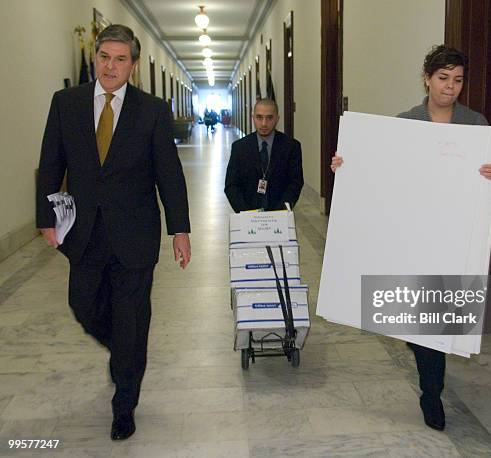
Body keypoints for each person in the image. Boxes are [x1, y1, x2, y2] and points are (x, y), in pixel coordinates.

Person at [330, 45, 491, 431]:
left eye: (458, 80)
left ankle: (431, 392)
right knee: (424, 317)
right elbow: (382, 171)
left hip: (452, 235)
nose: (450, 88)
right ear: (427, 78)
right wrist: (349, 163)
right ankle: (430, 384)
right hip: (411, 233)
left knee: (435, 317)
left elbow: (484, 178)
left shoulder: (476, 126)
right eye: (443, 78)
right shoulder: (405, 123)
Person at [36, 24, 191, 441]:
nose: (111, 65)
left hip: (135, 233)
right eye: (105, 56)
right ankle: (122, 350)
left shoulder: (152, 110)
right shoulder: (66, 103)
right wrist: (46, 218)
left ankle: (125, 403)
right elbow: (51, 162)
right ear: (95, 58)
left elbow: (169, 175)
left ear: (133, 66)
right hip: (83, 232)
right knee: (83, 305)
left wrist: (180, 229)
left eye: (121, 59)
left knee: (132, 317)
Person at [225, 98, 304, 212]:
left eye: (269, 118)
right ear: (253, 118)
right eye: (259, 117)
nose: (264, 123)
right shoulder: (239, 147)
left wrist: (280, 211)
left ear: (277, 119)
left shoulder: (291, 147)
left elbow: (295, 183)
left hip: (279, 215)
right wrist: (246, 213)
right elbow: (231, 185)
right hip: (247, 214)